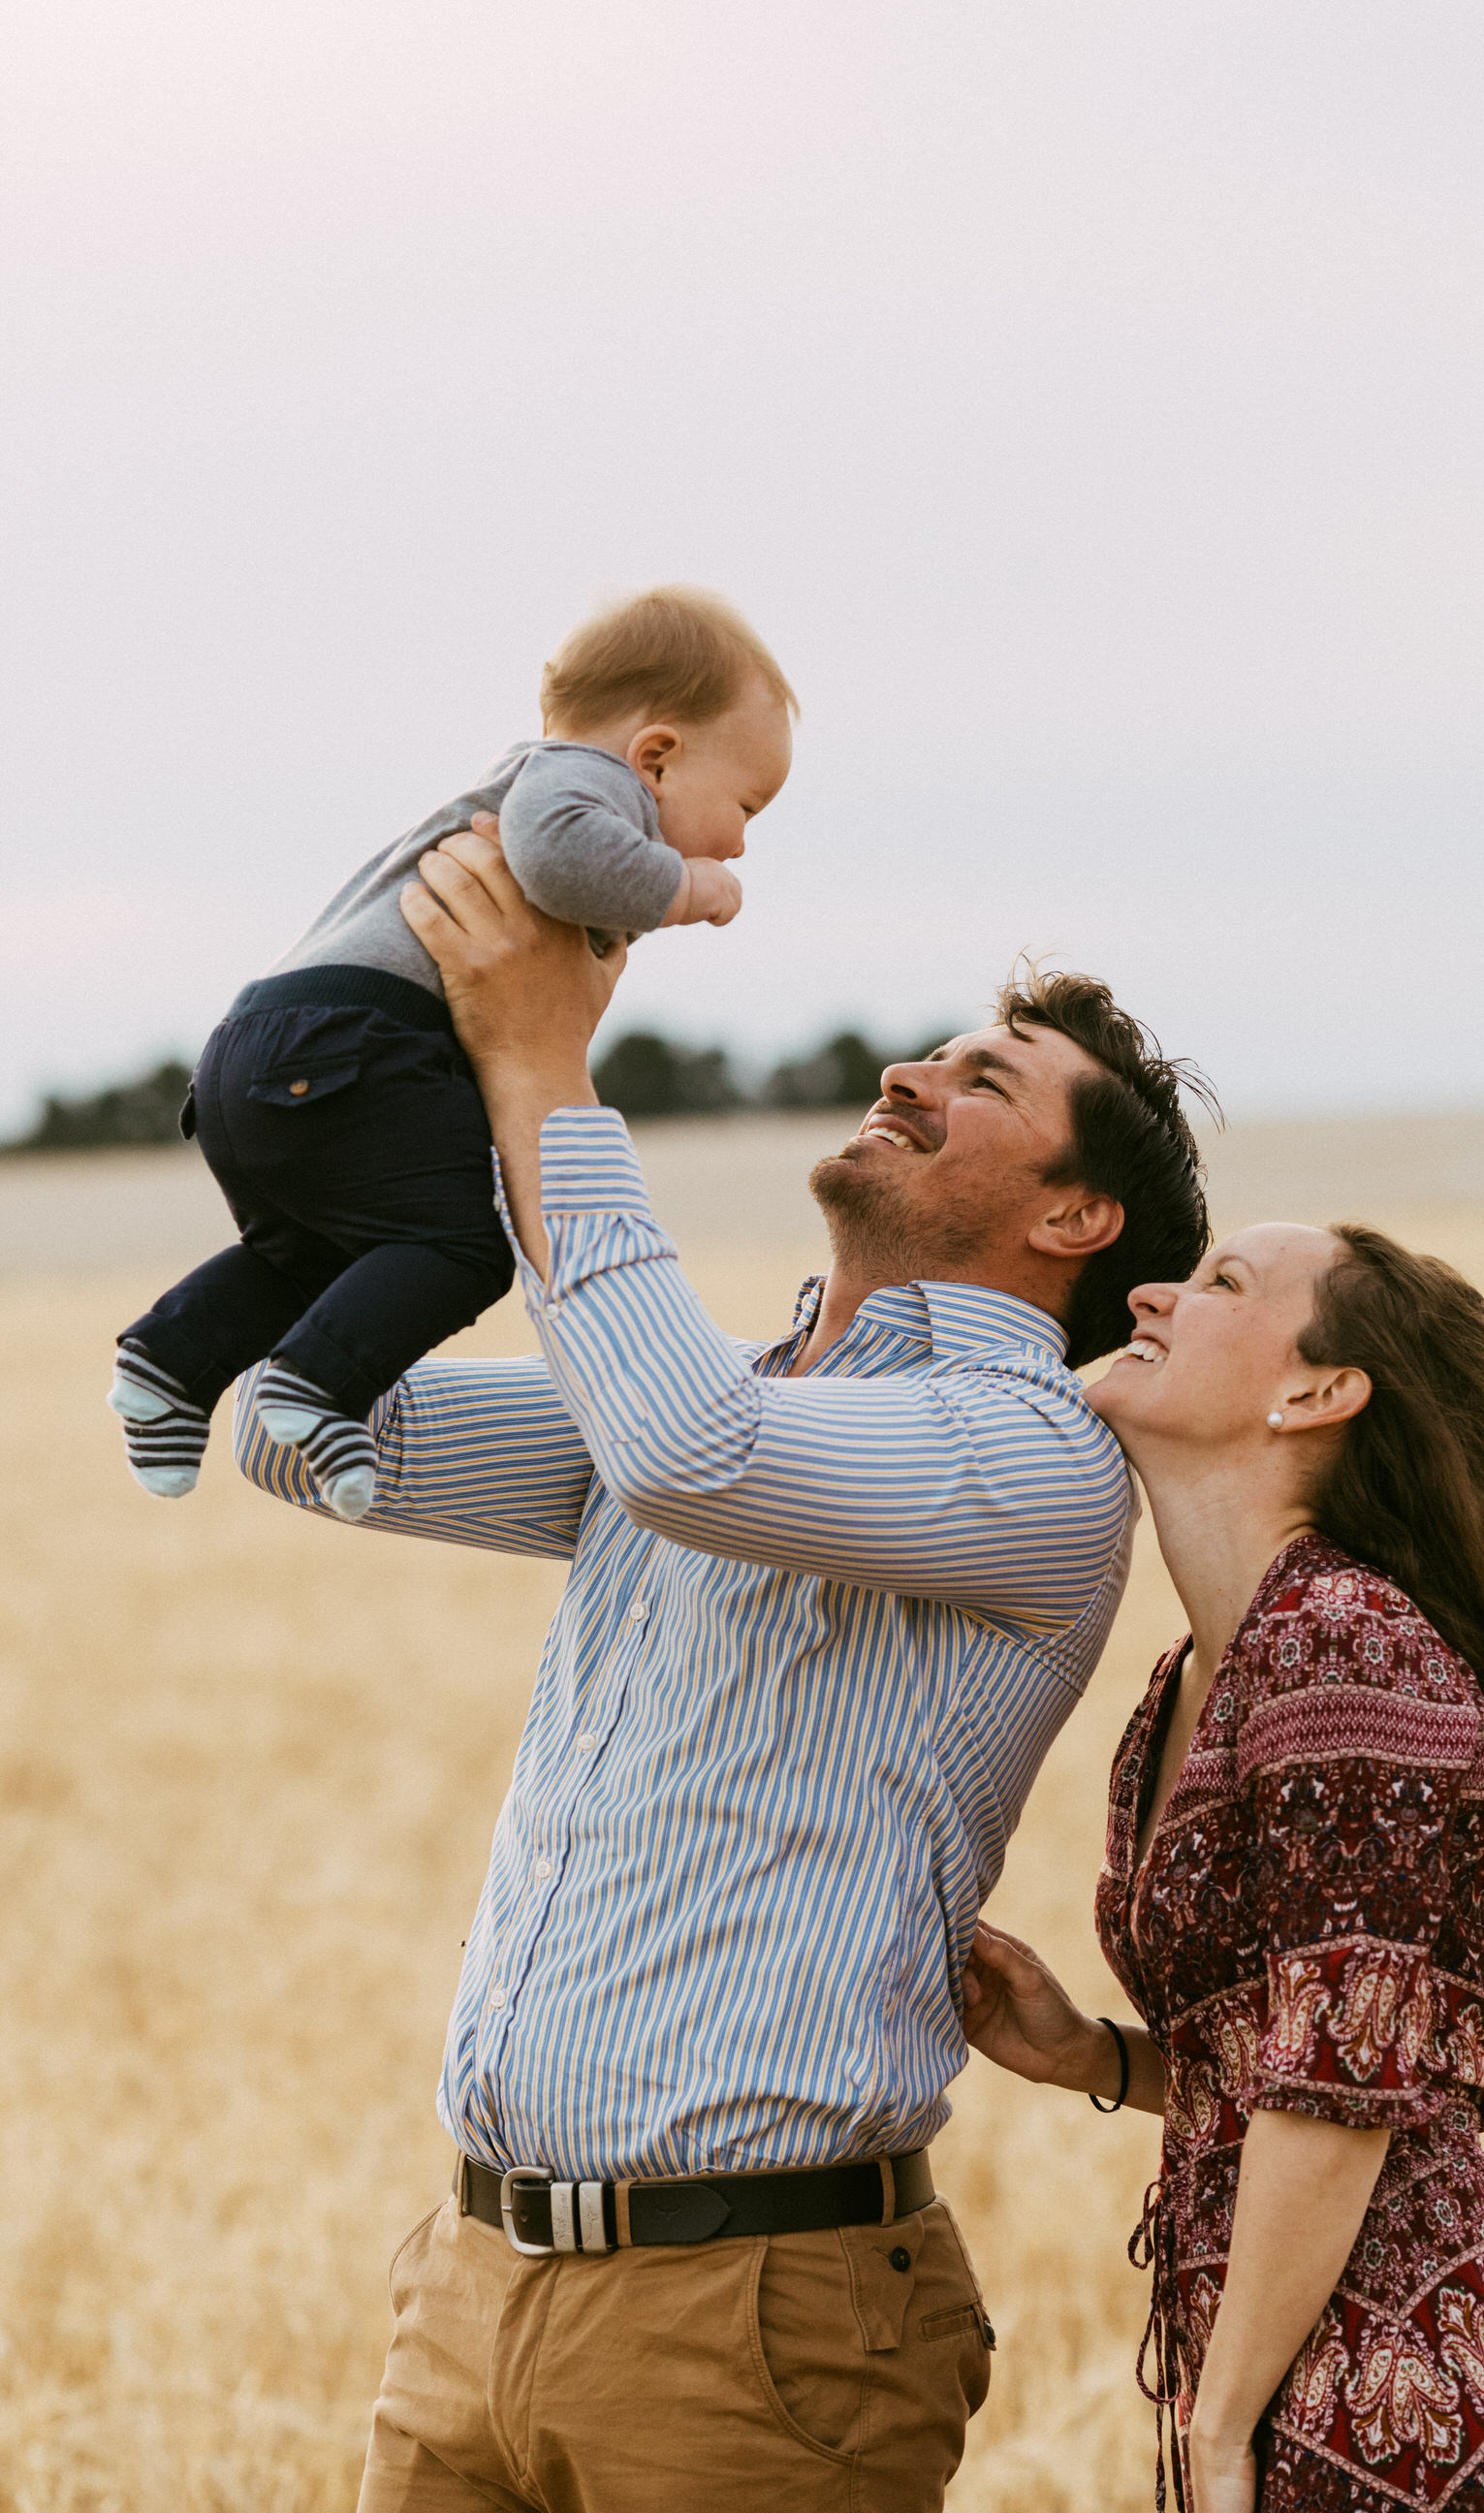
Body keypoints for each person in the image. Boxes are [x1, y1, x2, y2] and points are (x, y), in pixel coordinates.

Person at [234, 822, 1216, 2513]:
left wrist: (543, 1059)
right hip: (474, 2285)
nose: (907, 1071)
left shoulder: (1029, 1447)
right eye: (932, 1049)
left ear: (1076, 1209)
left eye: (984, 1076)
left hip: (754, 2320)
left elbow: (691, 1450)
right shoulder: (706, 1399)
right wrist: (365, 1099)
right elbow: (298, 1423)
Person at [962, 1221, 1484, 2511]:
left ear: (1318, 1394)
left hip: (1412, 2419)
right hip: (1292, 2374)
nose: (1153, 1291)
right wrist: (1091, 2059)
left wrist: (1222, 2430)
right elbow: (1293, 2061)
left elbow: (1345, 2084)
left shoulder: (1350, 1650)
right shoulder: (1190, 1681)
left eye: (1222, 1282)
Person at [109, 586, 794, 1516]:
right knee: (465, 1243)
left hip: (270, 1051)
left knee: (318, 1248)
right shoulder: (578, 782)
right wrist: (689, 886)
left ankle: (166, 1366)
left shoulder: (540, 784)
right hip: (352, 1039)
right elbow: (561, 860)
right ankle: (314, 1386)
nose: (743, 845)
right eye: (746, 806)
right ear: (657, 757)